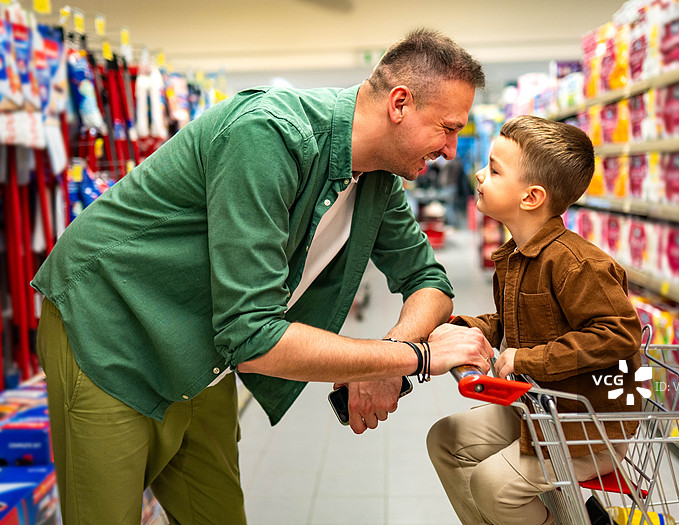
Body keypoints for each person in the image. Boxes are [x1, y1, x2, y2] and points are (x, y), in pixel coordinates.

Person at [32, 28, 494, 524]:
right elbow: (253, 339)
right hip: (108, 331)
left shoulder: (378, 177)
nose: (451, 150)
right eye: (447, 128)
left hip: (202, 349)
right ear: (399, 103)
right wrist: (415, 357)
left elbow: (429, 281)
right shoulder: (268, 135)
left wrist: (387, 361)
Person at [426, 115, 643, 525]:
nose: (478, 175)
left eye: (493, 169)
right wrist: (466, 328)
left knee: (493, 485)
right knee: (446, 441)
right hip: (538, 411)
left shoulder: (578, 265)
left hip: (587, 429)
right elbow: (513, 322)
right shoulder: (517, 255)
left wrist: (528, 361)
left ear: (531, 197)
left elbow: (618, 334)